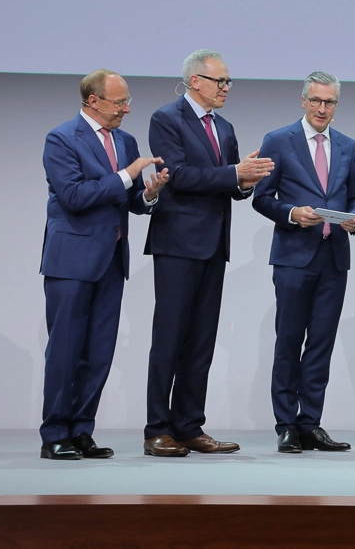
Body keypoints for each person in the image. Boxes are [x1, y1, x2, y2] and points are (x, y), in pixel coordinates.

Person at [143, 49, 274, 457]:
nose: (226, 88)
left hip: (214, 245)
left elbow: (227, 185)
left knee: (201, 339)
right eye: (221, 81)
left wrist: (245, 181)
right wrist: (234, 173)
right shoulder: (167, 119)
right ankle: (157, 429)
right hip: (177, 244)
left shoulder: (225, 127)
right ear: (195, 80)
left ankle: (188, 426)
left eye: (228, 81)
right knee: (169, 338)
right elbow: (179, 176)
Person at [39, 69, 169, 459]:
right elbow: (75, 197)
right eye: (120, 102)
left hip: (111, 260)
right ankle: (55, 434)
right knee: (65, 350)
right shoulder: (61, 138)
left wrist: (149, 193)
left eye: (128, 101)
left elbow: (130, 200)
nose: (127, 109)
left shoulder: (125, 141)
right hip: (71, 261)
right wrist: (128, 175)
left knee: (98, 352)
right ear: (93, 101)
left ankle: (82, 430)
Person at [253, 71, 355, 454]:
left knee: (321, 343)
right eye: (315, 100)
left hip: (334, 258)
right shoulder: (278, 140)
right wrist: (291, 213)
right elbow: (261, 198)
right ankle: (286, 425)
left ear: (336, 105)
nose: (321, 108)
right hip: (293, 258)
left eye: (329, 102)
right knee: (289, 340)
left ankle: (310, 423)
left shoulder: (348, 145)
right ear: (303, 101)